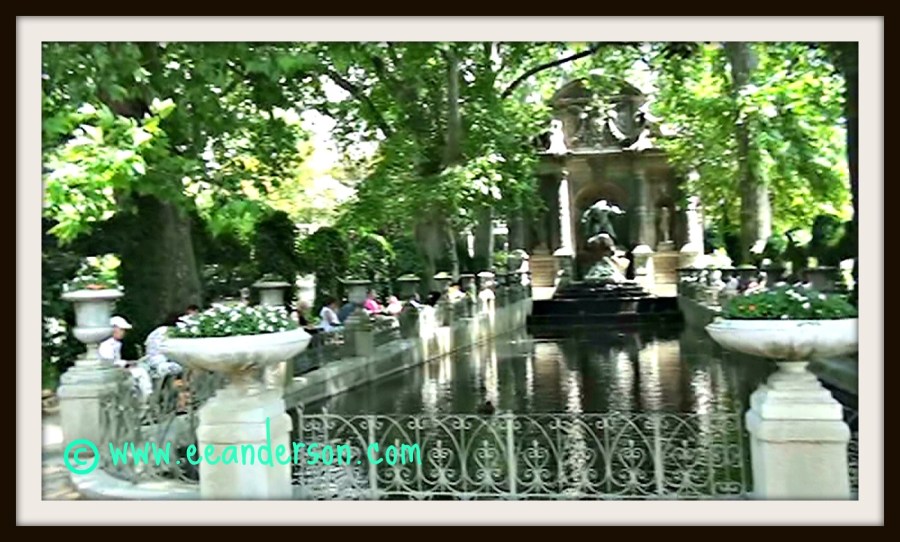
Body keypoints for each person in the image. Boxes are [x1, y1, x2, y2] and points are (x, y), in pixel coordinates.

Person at [98, 316, 153, 399]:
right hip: (111, 373)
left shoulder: (116, 343)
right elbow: (108, 362)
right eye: (121, 329)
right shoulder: (106, 345)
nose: (123, 332)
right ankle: (147, 396)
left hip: (118, 371)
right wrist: (126, 363)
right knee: (140, 372)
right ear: (113, 329)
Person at [144, 312, 184, 379]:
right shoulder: (170, 332)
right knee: (182, 368)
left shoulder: (158, 330)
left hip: (149, 359)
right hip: (160, 361)